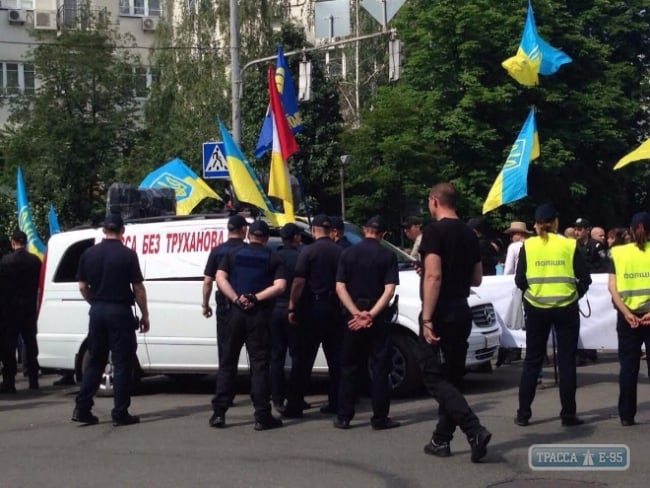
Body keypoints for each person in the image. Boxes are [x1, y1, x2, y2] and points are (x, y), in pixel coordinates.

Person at [416, 183, 491, 463]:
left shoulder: (433, 231)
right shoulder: (469, 234)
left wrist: (426, 319)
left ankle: (474, 428)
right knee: (452, 376)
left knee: (430, 372)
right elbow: (476, 279)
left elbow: (433, 277)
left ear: (434, 201)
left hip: (441, 311)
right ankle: (441, 439)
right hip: (462, 309)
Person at [514, 204, 591, 428]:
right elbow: (585, 278)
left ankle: (523, 414)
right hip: (566, 307)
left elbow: (520, 280)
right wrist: (574, 295)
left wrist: (532, 296)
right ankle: (568, 415)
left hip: (536, 308)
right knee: (567, 362)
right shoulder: (569, 244)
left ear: (536, 224)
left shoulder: (527, 246)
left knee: (532, 362)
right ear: (556, 222)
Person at [72, 214, 150, 425]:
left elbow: (81, 286)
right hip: (120, 311)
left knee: (96, 361)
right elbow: (138, 288)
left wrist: (94, 303)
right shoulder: (128, 255)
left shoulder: (89, 254)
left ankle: (82, 408)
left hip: (97, 311)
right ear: (122, 231)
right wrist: (145, 314)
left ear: (104, 230)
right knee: (122, 362)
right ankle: (120, 412)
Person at [210, 219, 286, 431]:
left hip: (235, 314)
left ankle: (219, 413)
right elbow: (280, 286)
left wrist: (236, 298)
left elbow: (220, 277)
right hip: (259, 315)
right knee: (259, 365)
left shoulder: (233, 255)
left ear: (248, 234)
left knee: (227, 362)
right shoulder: (273, 257)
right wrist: (256, 298)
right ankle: (262, 415)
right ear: (266, 237)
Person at [334, 215, 400, 431]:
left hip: (352, 319)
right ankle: (379, 418)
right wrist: (370, 315)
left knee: (349, 367)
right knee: (381, 367)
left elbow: (340, 287)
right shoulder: (387, 255)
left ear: (364, 230)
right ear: (383, 234)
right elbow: (389, 289)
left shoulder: (348, 253)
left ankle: (344, 416)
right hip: (377, 318)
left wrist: (355, 314)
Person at [285, 214, 343, 417]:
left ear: (313, 230)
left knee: (303, 360)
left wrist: (292, 306)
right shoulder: (340, 251)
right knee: (336, 360)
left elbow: (299, 282)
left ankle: (295, 405)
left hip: (312, 309)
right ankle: (336, 403)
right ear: (330, 230)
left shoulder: (308, 251)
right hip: (335, 308)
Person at [607, 212, 650, 426]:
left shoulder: (618, 253)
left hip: (628, 318)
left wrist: (626, 312)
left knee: (628, 367)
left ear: (631, 231)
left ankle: (626, 415)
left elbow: (612, 288)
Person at [201, 215, 248, 367]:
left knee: (226, 350)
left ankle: (225, 387)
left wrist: (205, 305)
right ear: (244, 229)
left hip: (225, 306)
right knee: (255, 351)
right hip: (248, 303)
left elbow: (208, 281)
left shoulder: (217, 251)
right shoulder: (248, 250)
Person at [0, 230, 42, 393]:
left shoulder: (5, 261)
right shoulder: (35, 261)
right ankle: (33, 379)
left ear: (13, 242)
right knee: (30, 343)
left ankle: (9, 381)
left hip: (10, 310)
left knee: (9, 346)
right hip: (29, 308)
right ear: (26, 243)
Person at [270, 222, 302, 413]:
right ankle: (295, 397)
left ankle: (277, 397)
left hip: (274, 309)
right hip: (294, 310)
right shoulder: (300, 256)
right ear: (296, 237)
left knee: (276, 356)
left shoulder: (273, 256)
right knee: (297, 356)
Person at [498, 221, 532, 366]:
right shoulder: (533, 245)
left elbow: (509, 270)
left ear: (518, 234)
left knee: (517, 319)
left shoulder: (513, 247)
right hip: (534, 285)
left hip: (518, 285)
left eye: (512, 234)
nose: (511, 237)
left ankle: (515, 351)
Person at [574, 217, 607, 364]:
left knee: (594, 318)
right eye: (576, 229)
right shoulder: (573, 246)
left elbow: (605, 264)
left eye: (580, 229)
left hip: (595, 285)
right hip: (580, 286)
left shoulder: (597, 246)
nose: (577, 232)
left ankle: (591, 349)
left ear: (587, 230)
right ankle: (582, 351)